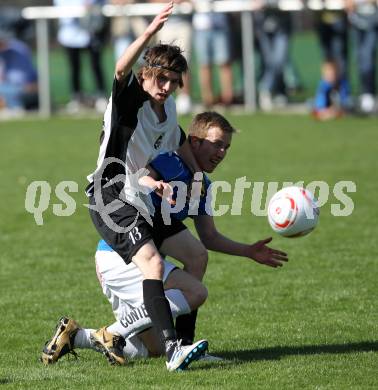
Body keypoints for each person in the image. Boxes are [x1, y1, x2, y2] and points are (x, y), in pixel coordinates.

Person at [41, 111, 288, 363]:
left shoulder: (203, 185)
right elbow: (139, 176)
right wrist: (155, 184)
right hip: (121, 260)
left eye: (226, 147)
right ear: (194, 141)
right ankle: (171, 342)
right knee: (196, 287)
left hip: (144, 269)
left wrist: (249, 251)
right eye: (216, 144)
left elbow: (210, 236)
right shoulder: (171, 162)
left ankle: (76, 336)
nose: (222, 152)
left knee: (150, 350)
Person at [84, 1, 206, 372]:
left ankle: (184, 345)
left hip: (143, 199)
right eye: (160, 79)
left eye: (173, 81)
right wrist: (150, 32)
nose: (166, 87)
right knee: (153, 263)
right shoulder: (129, 98)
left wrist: (199, 174)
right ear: (146, 73)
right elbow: (121, 67)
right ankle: (171, 351)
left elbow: (178, 141)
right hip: (111, 197)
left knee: (197, 256)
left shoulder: (167, 109)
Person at [54, 0, 108, 113]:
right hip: (70, 35)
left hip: (91, 33)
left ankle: (101, 95)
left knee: (96, 66)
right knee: (74, 67)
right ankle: (77, 97)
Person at [192, 1, 234, 107]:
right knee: (205, 65)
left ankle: (227, 99)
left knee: (224, 63)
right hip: (201, 28)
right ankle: (208, 100)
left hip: (220, 25)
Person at [346, 0, 378, 114]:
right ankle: (365, 93)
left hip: (372, 17)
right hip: (356, 18)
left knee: (367, 58)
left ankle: (368, 94)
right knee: (360, 58)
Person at [0, 29, 38, 116]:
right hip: (9, 86)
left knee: (10, 90)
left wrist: (32, 83)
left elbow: (27, 77)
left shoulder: (18, 49)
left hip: (23, 87)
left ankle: (15, 108)